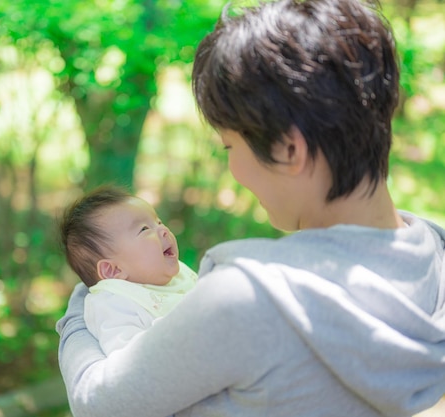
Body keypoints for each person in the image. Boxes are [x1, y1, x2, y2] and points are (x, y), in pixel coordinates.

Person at [56, 0, 445, 416]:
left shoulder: (249, 301)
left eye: (229, 146)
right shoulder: (434, 251)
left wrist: (86, 302)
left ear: (288, 149)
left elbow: (98, 404)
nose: (233, 168)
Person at [59, 185, 197, 355]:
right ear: (113, 271)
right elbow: (128, 362)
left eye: (159, 222)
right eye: (145, 229)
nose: (164, 230)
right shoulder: (114, 304)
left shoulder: (176, 275)